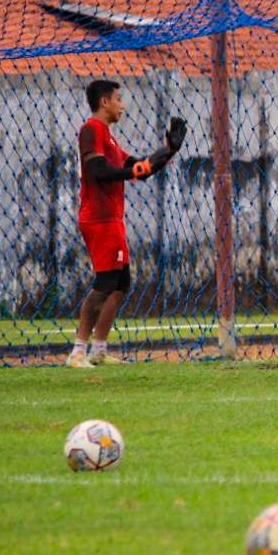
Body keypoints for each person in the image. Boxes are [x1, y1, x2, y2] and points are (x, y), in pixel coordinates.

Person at [66, 80, 187, 368]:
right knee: (106, 281)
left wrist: (169, 150)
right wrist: (129, 170)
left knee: (121, 282)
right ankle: (78, 352)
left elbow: (140, 169)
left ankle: (99, 349)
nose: (123, 105)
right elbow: (97, 170)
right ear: (104, 102)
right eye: (119, 99)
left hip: (112, 219)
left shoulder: (109, 138)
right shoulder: (91, 130)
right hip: (98, 218)